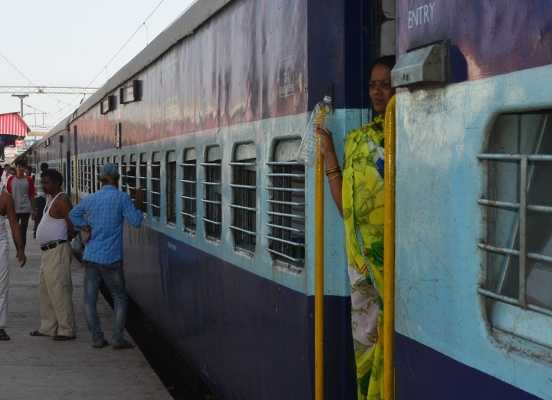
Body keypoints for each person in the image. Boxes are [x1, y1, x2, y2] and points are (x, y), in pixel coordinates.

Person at [317, 55, 396, 400]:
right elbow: (347, 210)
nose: (378, 92)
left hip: (394, 268)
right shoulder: (358, 141)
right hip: (362, 270)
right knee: (366, 354)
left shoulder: (405, 138)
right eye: (373, 85)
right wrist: (331, 157)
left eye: (386, 84)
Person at [69, 163, 144, 349]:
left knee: (89, 300)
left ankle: (97, 338)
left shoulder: (91, 198)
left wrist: (84, 226)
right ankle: (117, 338)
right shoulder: (122, 198)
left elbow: (72, 214)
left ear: (100, 179)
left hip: (91, 256)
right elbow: (135, 222)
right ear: (117, 178)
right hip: (111, 259)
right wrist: (139, 203)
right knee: (119, 297)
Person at [30, 169, 76, 341]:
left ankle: (66, 329)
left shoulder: (62, 200)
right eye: (43, 182)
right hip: (47, 252)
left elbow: (73, 224)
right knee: (46, 290)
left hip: (57, 250)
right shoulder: (50, 199)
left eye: (47, 182)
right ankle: (48, 326)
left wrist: (64, 240)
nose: (44, 185)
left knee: (59, 290)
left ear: (57, 183)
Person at [0, 188, 27, 340]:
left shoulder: (5, 198)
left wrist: (20, 248)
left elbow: (14, 224)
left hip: (0, 246)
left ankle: (0, 326)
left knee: (2, 286)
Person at [7, 160, 36, 250]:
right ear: (16, 167)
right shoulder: (11, 180)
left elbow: (31, 195)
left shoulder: (29, 180)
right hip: (13, 209)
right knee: (14, 230)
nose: (20, 168)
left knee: (23, 230)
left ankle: (21, 249)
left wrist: (34, 210)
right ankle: (17, 248)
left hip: (25, 209)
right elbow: (8, 195)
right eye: (18, 166)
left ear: (25, 168)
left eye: (22, 167)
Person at [32, 163, 50, 239]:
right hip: (42, 198)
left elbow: (35, 186)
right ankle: (39, 232)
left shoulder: (37, 175)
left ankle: (36, 232)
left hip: (37, 197)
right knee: (43, 215)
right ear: (46, 168)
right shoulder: (45, 177)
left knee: (38, 216)